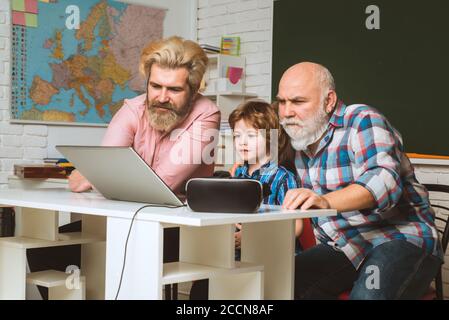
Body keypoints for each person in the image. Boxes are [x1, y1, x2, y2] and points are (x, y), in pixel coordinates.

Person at [277, 62, 443, 299]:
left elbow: (384, 183)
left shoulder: (361, 120)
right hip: (344, 246)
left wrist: (325, 201)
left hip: (399, 237)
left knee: (367, 295)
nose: (286, 111)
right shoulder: (299, 138)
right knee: (278, 282)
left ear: (329, 101)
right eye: (282, 102)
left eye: (298, 101)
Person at [68, 36, 220, 194]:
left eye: (174, 89)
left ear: (194, 92)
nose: (162, 98)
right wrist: (100, 175)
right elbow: (106, 165)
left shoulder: (207, 114)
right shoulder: (132, 109)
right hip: (127, 209)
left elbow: (161, 187)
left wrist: (93, 177)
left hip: (184, 215)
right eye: (155, 86)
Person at [228, 100, 303, 257]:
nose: (242, 142)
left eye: (251, 135)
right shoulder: (239, 174)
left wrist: (254, 237)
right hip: (242, 255)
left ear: (270, 137)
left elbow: (296, 226)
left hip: (275, 257)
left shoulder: (283, 178)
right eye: (237, 136)